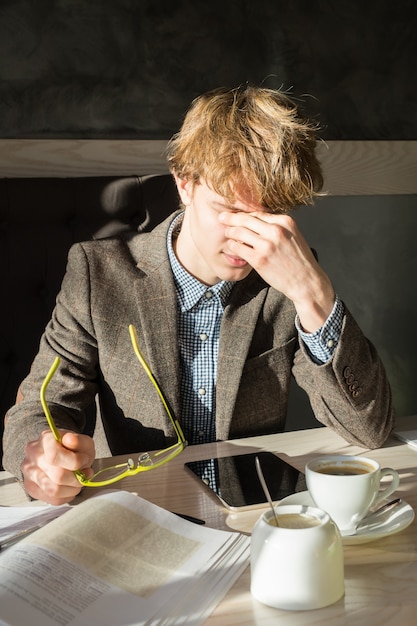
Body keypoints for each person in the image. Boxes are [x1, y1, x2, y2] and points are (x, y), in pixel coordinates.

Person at [2, 85, 395, 505]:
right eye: (228, 209)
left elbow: (368, 429)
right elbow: (35, 412)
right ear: (184, 184)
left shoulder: (289, 278)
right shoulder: (98, 275)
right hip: (138, 512)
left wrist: (313, 293)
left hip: (252, 518)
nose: (248, 237)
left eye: (268, 214)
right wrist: (42, 459)